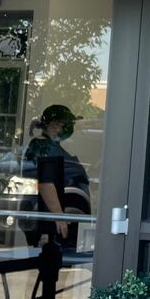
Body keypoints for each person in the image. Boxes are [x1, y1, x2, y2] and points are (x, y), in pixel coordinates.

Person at [22, 103, 90, 248]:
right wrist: (59, 218)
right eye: (63, 124)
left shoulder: (50, 146)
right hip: (51, 222)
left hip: (56, 217)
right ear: (54, 125)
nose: (67, 128)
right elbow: (46, 183)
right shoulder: (43, 147)